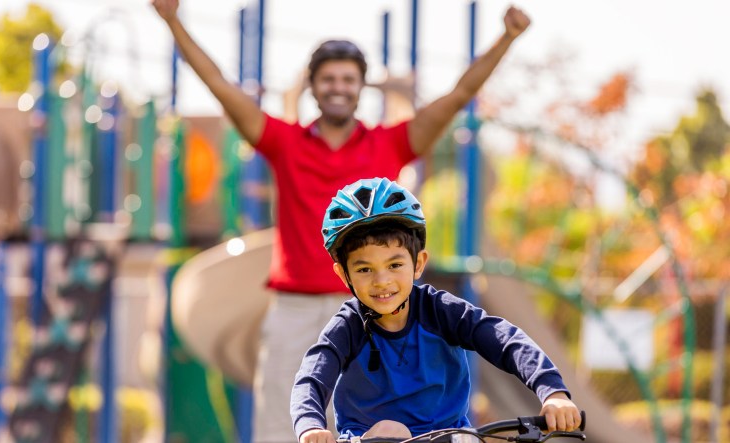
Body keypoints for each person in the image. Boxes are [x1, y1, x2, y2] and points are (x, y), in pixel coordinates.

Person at [150, 1, 531, 441]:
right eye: (328, 78)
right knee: (281, 423)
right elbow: (219, 85)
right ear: (313, 85)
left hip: (369, 309)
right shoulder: (284, 142)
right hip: (294, 309)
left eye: (348, 79)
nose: (338, 87)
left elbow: (458, 96)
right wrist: (174, 22)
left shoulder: (390, 144)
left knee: (368, 426)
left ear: (360, 87)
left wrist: (506, 38)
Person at [291, 177, 581, 443]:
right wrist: (310, 425)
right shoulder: (348, 326)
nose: (382, 281)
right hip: (373, 438)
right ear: (344, 275)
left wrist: (552, 391)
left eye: (395, 265)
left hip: (450, 436)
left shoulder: (441, 311)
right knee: (392, 431)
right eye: (365, 269)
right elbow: (312, 378)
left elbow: (504, 340)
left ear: (418, 264)